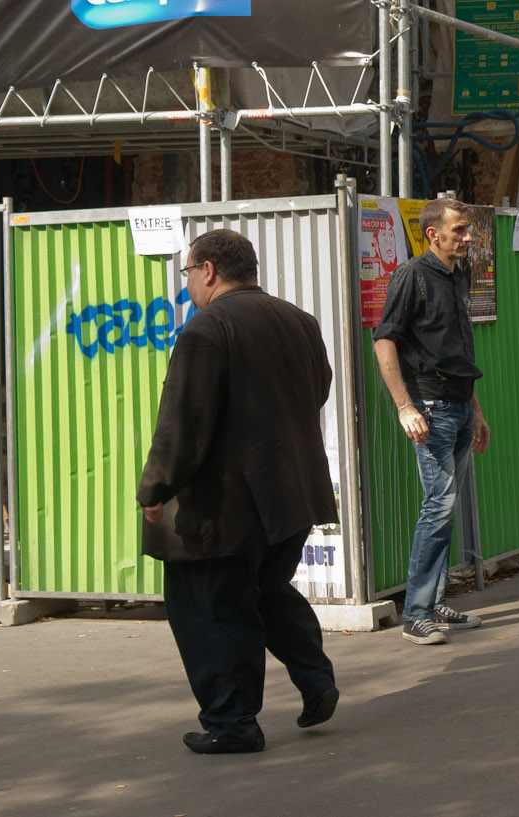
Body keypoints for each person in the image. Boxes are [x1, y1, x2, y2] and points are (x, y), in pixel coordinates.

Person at [136, 229, 339, 754]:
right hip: (292, 495)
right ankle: (316, 679)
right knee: (265, 590)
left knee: (211, 609)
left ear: (207, 270)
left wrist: (155, 488)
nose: (189, 285)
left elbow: (183, 423)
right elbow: (318, 390)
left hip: (227, 506)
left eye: (188, 273)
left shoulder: (207, 329)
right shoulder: (299, 321)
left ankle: (232, 726)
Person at [372, 198, 492, 646]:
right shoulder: (412, 276)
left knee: (447, 506)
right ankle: (416, 613)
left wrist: (476, 411)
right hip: (430, 407)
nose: (467, 236)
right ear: (432, 235)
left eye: (467, 230)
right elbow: (385, 342)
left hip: (459, 404)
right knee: (438, 505)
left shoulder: (458, 275)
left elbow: (457, 349)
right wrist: (406, 407)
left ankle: (435, 602)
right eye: (459, 230)